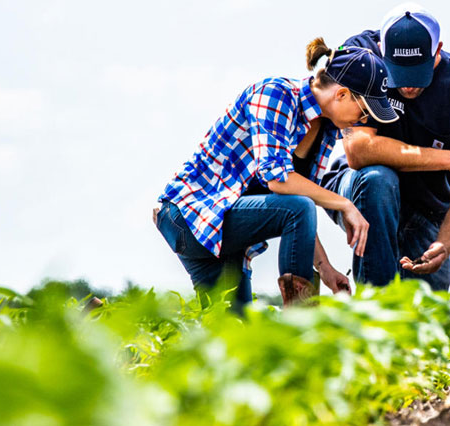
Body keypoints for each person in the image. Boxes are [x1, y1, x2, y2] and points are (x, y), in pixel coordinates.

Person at [154, 39, 397, 309]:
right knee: (300, 207)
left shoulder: (326, 132)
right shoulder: (276, 94)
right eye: (363, 110)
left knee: (234, 340)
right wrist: (344, 203)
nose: (362, 120)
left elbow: (297, 201)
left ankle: (101, 324)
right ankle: (300, 324)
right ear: (341, 95)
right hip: (193, 217)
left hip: (223, 233)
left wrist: (325, 267)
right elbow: (277, 180)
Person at [320, 3, 450, 291]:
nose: (410, 87)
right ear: (381, 49)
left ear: (437, 50)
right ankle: (375, 310)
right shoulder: (360, 58)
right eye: (400, 73)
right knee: (378, 180)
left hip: (428, 206)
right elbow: (358, 151)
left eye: (418, 74)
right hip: (357, 186)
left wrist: (445, 243)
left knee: (427, 313)